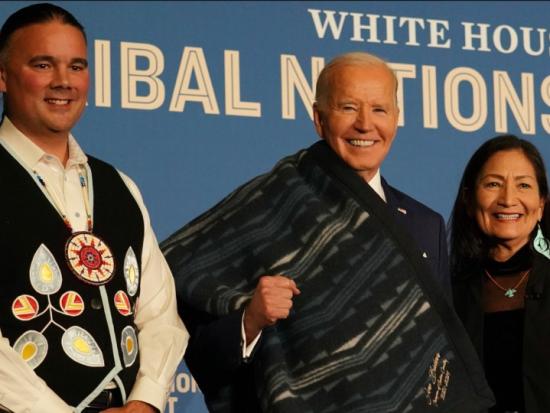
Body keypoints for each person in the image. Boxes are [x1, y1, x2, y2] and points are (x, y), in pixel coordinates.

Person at [163, 52, 493, 412]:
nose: (365, 124)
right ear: (319, 119)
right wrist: (250, 319)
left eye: (380, 110)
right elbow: (194, 333)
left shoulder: (424, 224)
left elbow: (436, 347)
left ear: (397, 119)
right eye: (349, 107)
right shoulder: (268, 208)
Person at [0, 3, 188, 412]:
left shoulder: (117, 186)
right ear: (3, 76)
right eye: (43, 65)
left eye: (77, 66)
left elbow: (159, 312)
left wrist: (145, 401)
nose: (64, 82)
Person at [449, 135, 550, 413]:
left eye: (523, 185)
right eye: (493, 184)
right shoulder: (447, 294)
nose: (508, 199)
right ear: (469, 200)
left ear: (541, 204)